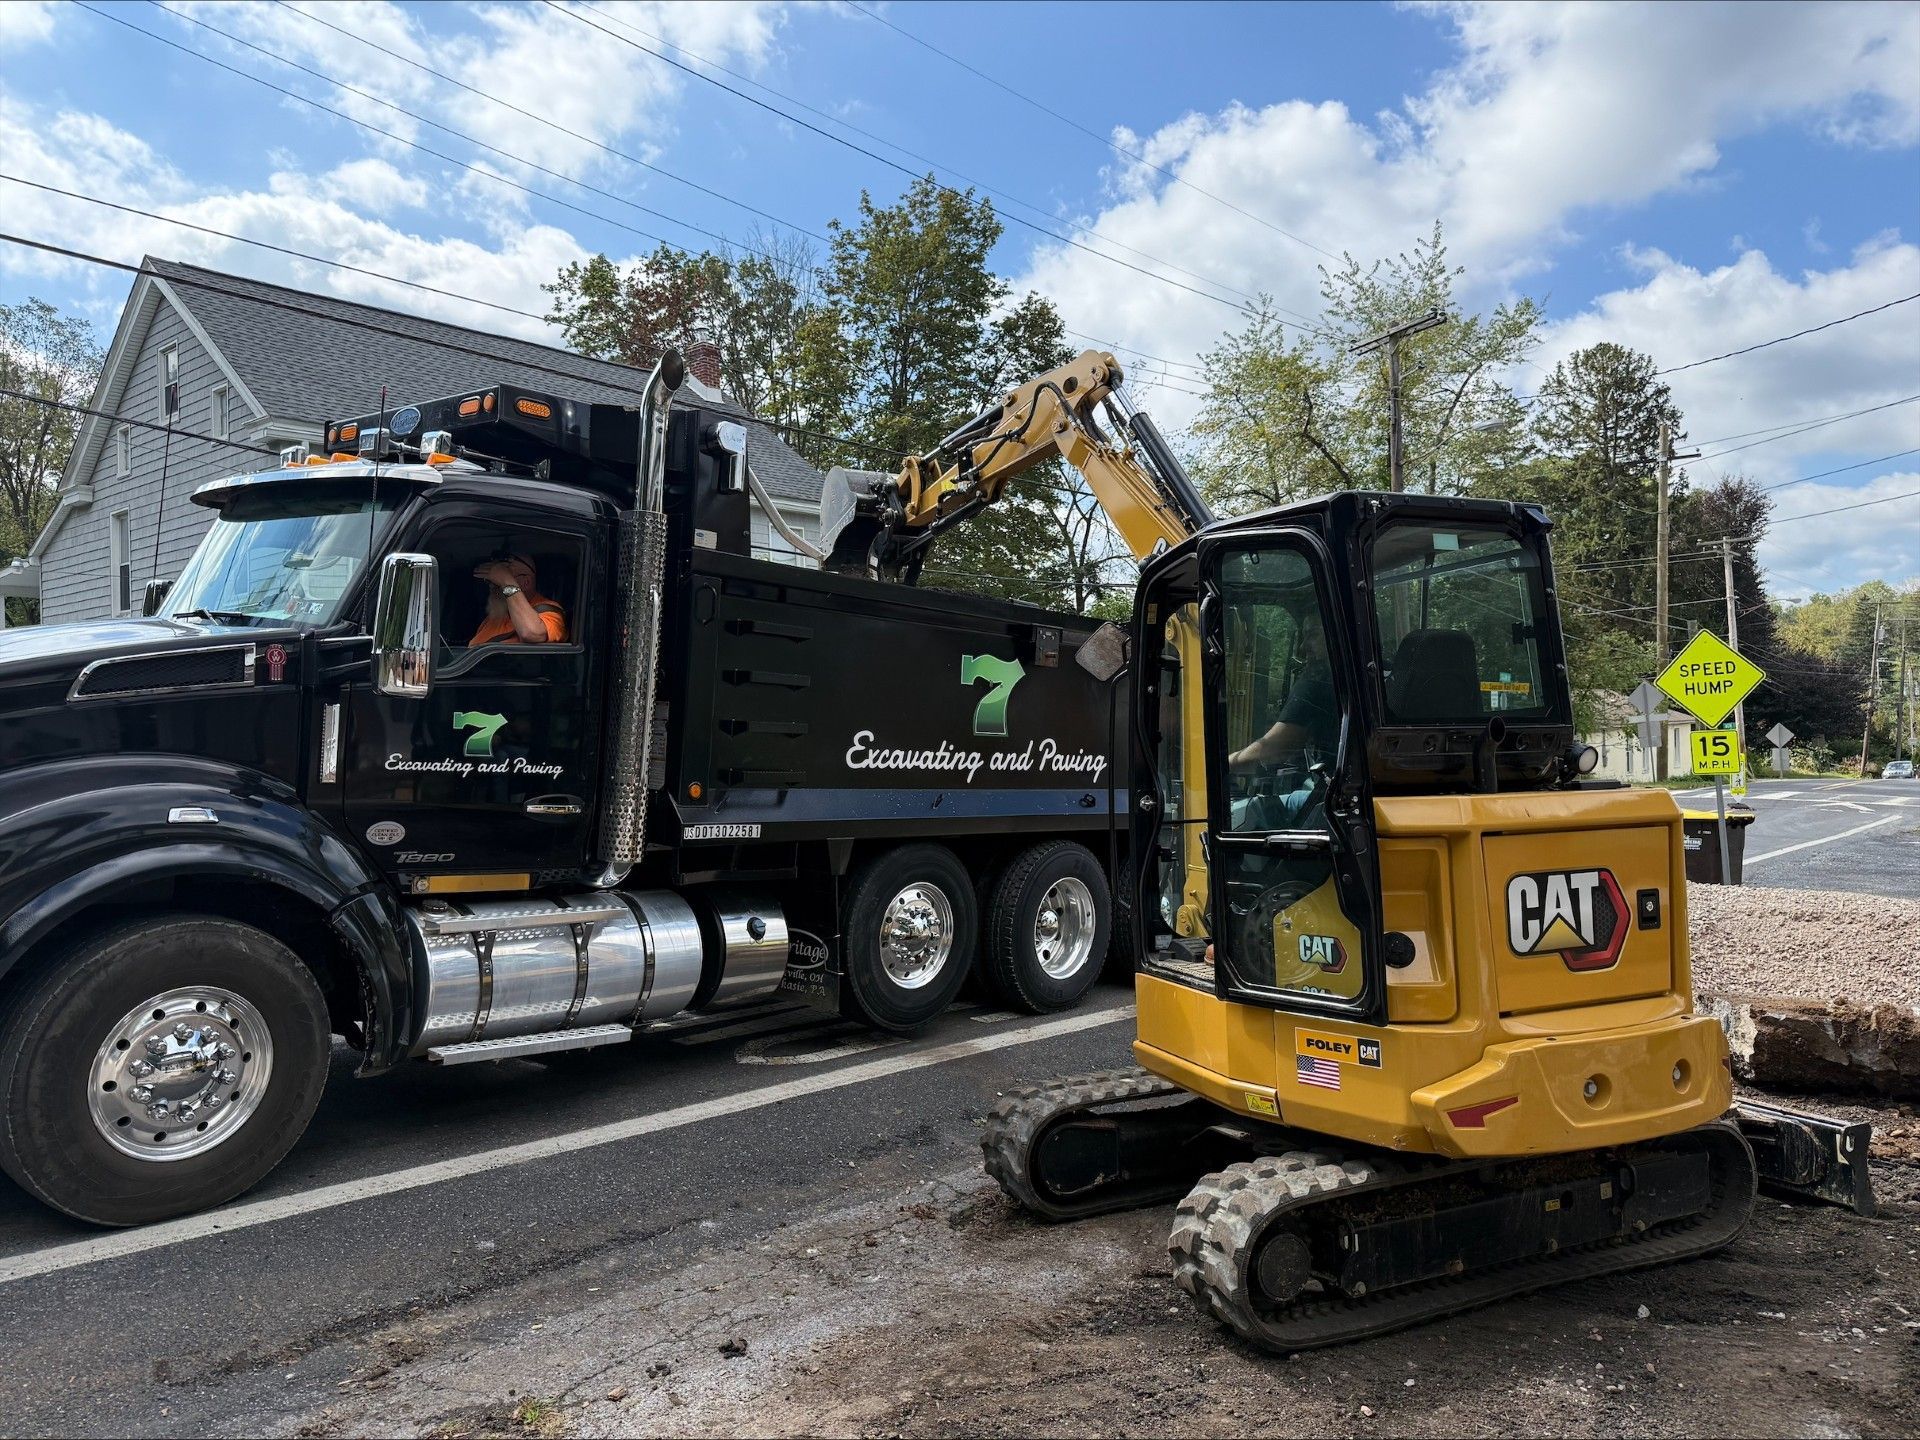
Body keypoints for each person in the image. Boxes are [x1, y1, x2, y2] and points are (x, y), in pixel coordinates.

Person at [1227, 620, 1338, 830]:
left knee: (1247, 811)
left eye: (1313, 634)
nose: (1303, 646)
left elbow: (1276, 749)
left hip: (1334, 799)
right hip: (1355, 794)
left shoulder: (1318, 680)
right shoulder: (1377, 672)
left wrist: (1224, 764)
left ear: (1335, 635)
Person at [467, 553, 567, 646]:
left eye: (498, 580)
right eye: (492, 580)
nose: (492, 584)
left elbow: (531, 633)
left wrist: (506, 581)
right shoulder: (494, 617)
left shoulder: (549, 611)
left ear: (526, 582)